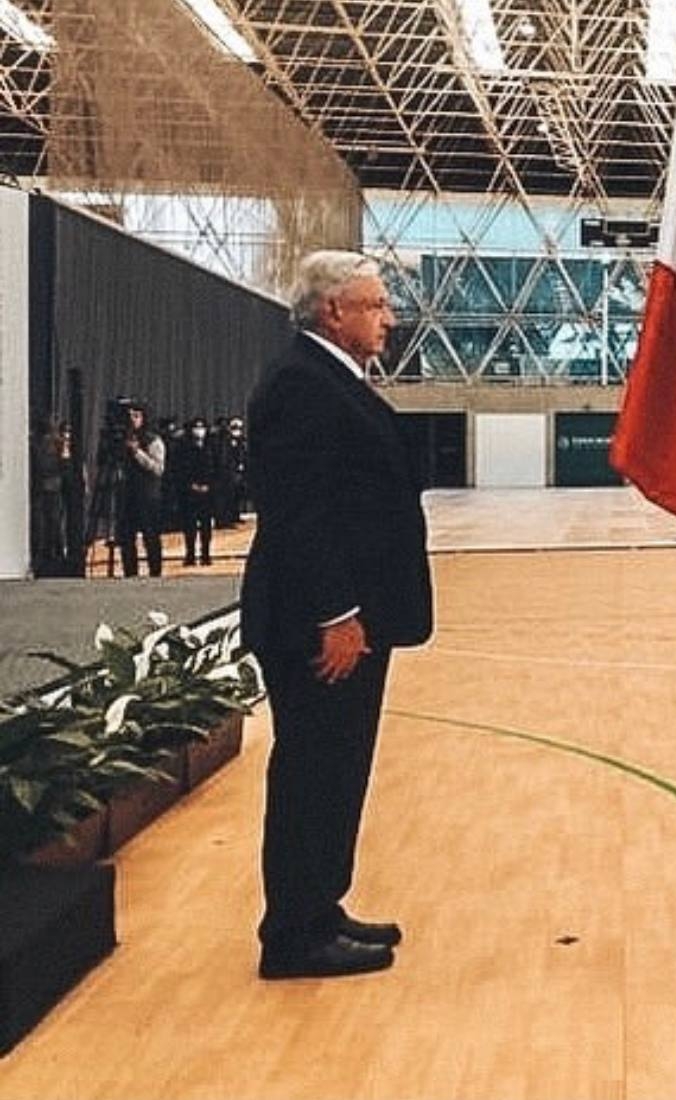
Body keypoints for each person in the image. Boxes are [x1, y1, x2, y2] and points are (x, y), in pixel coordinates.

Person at [240, 250, 433, 981]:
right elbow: (301, 513)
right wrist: (337, 612)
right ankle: (292, 933)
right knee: (312, 772)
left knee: (336, 767)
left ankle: (320, 907)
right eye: (375, 306)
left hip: (349, 615)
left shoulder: (328, 378)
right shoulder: (301, 385)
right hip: (320, 623)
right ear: (332, 312)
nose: (387, 318)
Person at [116, 402, 165, 577]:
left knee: (150, 536)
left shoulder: (153, 440)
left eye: (136, 416)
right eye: (129, 416)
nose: (132, 420)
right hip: (126, 494)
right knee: (126, 537)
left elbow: (158, 468)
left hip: (147, 495)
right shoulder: (120, 439)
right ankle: (130, 572)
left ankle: (155, 572)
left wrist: (137, 453)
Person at [178, 416, 217, 566]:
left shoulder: (211, 447)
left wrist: (210, 486)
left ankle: (206, 554)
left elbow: (217, 469)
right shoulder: (184, 447)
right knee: (189, 526)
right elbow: (180, 470)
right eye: (196, 427)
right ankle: (190, 555)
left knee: (206, 526)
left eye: (202, 427)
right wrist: (190, 485)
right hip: (189, 493)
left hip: (208, 492)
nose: (199, 431)